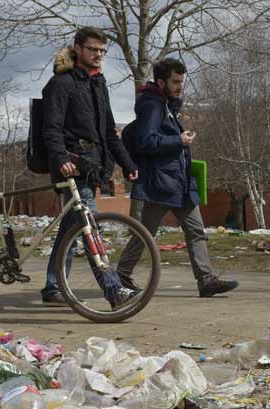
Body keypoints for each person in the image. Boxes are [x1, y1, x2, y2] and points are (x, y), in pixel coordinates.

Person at [118, 58, 238, 298]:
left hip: (179, 183)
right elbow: (145, 141)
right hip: (161, 185)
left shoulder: (166, 106)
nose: (179, 86)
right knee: (145, 233)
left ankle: (206, 281)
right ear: (161, 81)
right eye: (175, 81)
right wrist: (178, 140)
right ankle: (120, 275)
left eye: (181, 81)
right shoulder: (152, 105)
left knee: (196, 231)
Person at [41, 27, 139, 308]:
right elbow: (52, 129)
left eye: (102, 51)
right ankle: (113, 289)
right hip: (71, 167)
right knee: (89, 226)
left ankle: (52, 286)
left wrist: (127, 163)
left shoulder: (98, 83)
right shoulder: (61, 84)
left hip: (93, 167)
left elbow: (109, 131)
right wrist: (62, 159)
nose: (98, 55)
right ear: (78, 48)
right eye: (93, 49)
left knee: (72, 229)